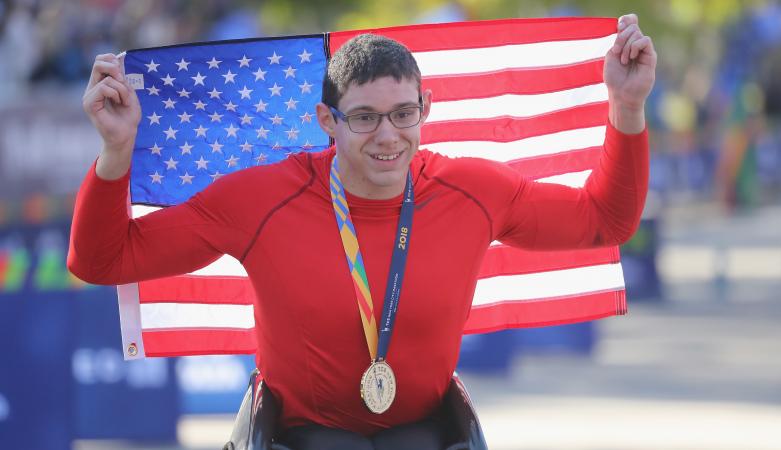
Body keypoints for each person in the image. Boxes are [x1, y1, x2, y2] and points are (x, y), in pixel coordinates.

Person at [68, 14, 656, 450]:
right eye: (365, 117)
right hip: (298, 439)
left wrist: (626, 109)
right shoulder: (261, 198)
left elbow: (606, 220)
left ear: (426, 106)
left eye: (404, 113)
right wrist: (117, 151)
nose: (388, 136)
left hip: (428, 436)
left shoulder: (472, 191)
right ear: (327, 120)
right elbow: (103, 260)